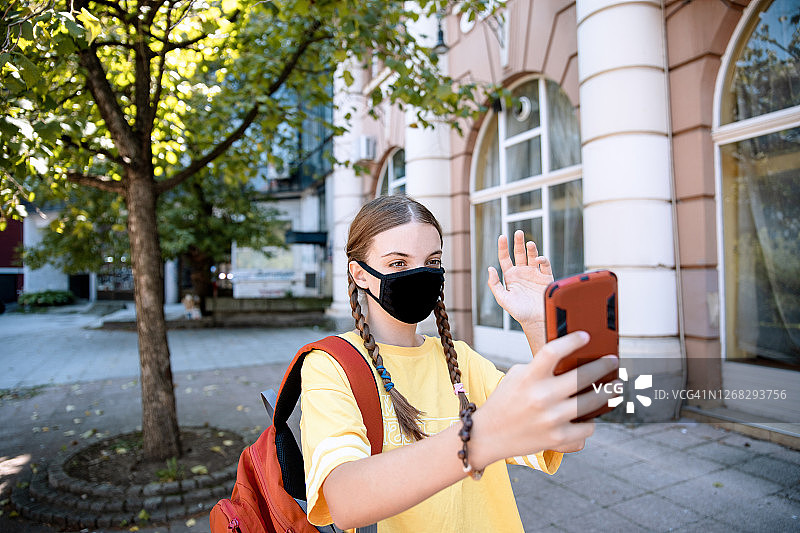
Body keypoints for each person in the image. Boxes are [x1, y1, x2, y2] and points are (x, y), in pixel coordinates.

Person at [300, 195, 619, 532]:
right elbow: (346, 500)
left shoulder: (462, 360)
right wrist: (479, 439)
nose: (420, 274)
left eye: (432, 260)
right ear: (359, 274)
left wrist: (539, 325)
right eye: (398, 264)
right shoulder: (331, 365)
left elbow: (567, 438)